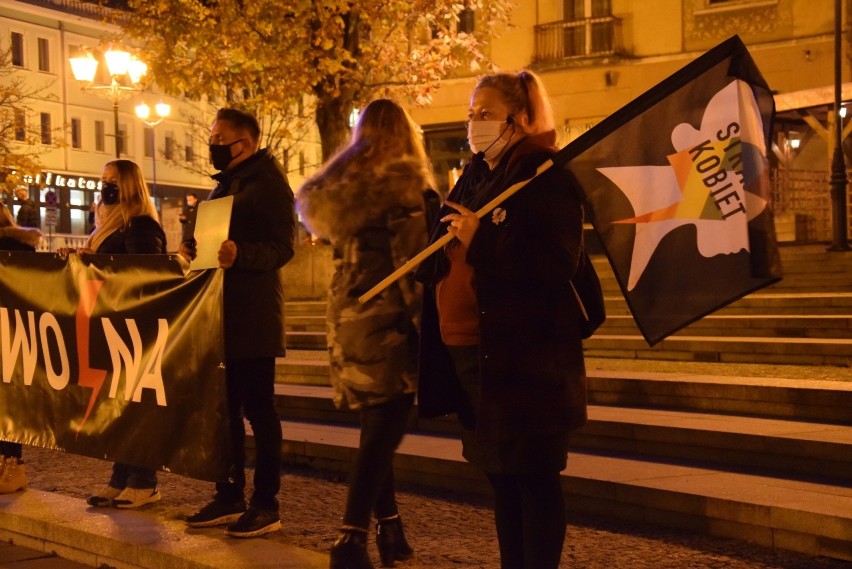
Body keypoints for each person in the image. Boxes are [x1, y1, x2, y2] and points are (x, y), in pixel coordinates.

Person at [415, 70, 587, 569]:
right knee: (501, 477)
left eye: (486, 114)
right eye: (471, 114)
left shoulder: (546, 176)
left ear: (521, 119)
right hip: (472, 352)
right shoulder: (477, 174)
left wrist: (482, 240)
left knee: (532, 478)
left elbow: (555, 265)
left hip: (526, 361)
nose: (474, 124)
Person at [297, 99, 437, 569]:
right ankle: (350, 537)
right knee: (384, 431)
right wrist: (429, 332)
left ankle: (390, 530)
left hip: (348, 320)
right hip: (388, 325)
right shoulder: (402, 187)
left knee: (374, 429)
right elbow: (412, 267)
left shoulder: (346, 188)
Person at [181, 108, 295, 539]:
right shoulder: (224, 186)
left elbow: (283, 247)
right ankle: (228, 494)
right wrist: (195, 247)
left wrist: (240, 256)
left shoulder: (268, 183)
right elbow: (215, 241)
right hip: (220, 314)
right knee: (223, 410)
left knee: (259, 410)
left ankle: (266, 503)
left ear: (244, 143)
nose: (212, 143)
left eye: (219, 137)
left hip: (253, 316)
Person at [70, 160, 168, 509]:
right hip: (112, 325)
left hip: (134, 327)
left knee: (135, 405)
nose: (106, 187)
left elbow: (143, 273)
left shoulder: (140, 225)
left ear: (129, 186)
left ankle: (144, 481)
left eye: (113, 182)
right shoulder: (108, 227)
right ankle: (121, 477)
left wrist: (95, 262)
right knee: (118, 405)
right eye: (103, 180)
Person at [0, 206, 42, 494]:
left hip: (10, 332)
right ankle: (10, 464)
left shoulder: (13, 246)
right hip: (13, 331)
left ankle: (11, 464)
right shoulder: (21, 245)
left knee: (8, 399)